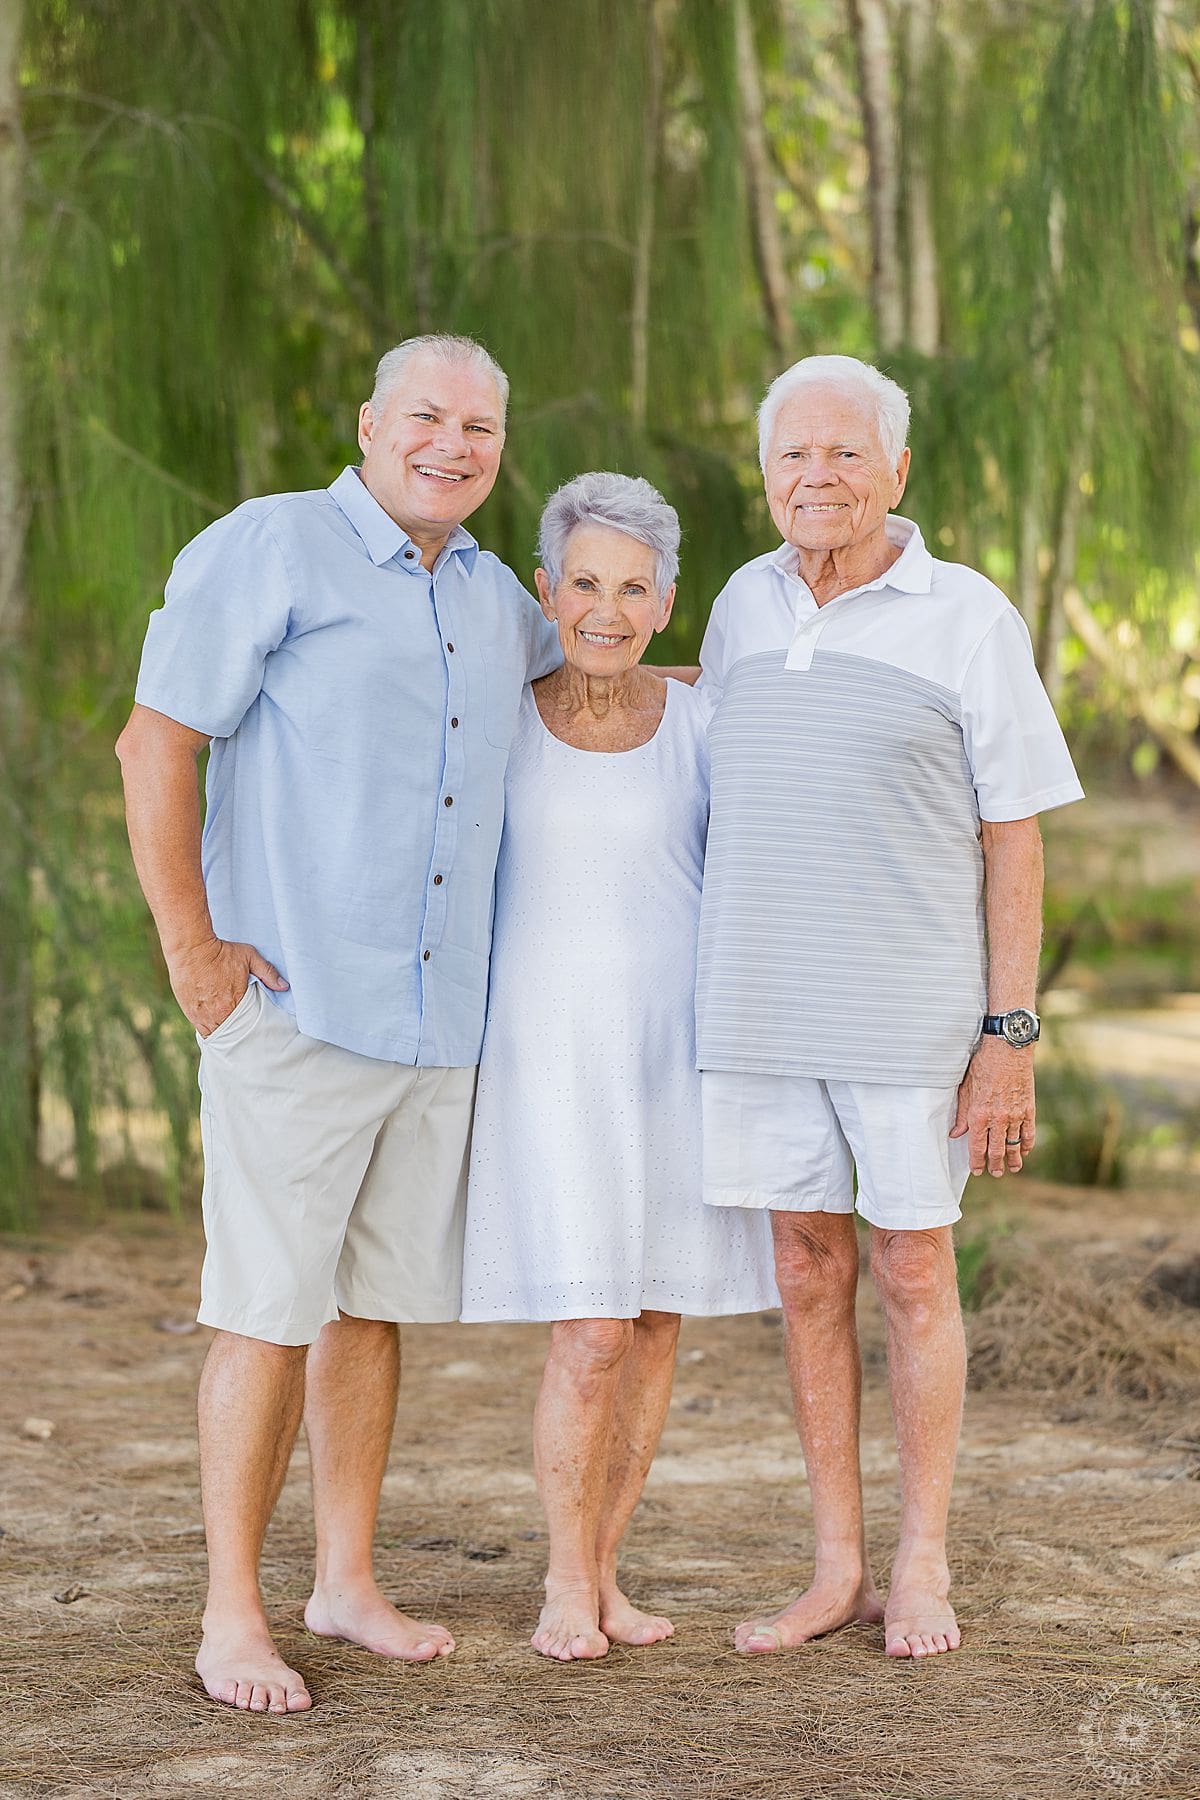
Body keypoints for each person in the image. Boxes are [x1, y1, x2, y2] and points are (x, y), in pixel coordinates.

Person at [115, 334, 561, 1713]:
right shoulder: (271, 548)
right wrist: (193, 952)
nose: (452, 445)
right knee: (268, 1311)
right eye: (427, 416)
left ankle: (346, 1582)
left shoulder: (495, 598)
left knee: (370, 1313)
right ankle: (233, 1615)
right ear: (369, 423)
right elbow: (155, 743)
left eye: (479, 428)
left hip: (435, 1025)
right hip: (295, 1007)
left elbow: (602, 679)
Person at [695, 354, 1083, 1660]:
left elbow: (1014, 838)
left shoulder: (966, 615)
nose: (818, 476)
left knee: (913, 1270)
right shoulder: (740, 605)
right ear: (766, 473)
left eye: (847, 452)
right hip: (759, 1008)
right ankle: (834, 1566)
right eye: (794, 454)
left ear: (899, 470)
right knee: (806, 1271)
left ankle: (923, 1562)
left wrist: (1008, 1034)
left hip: (912, 1016)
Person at [460, 472, 778, 1662]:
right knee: (590, 1328)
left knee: (653, 1324)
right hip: (550, 1063)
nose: (607, 609)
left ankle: (605, 1572)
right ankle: (560, 1579)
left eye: (634, 589)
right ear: (546, 591)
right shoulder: (496, 722)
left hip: (672, 1062)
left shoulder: (702, 725)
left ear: (667, 603)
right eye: (586, 583)